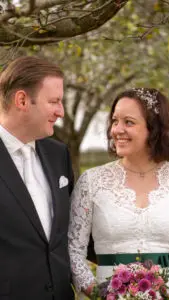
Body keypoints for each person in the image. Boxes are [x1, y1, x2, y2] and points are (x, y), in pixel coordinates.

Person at [68, 88, 169, 299]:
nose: (117, 130)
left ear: (155, 129)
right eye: (114, 121)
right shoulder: (92, 182)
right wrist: (100, 296)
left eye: (128, 122)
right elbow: (73, 252)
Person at [0, 56, 74, 300]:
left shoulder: (58, 154)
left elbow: (70, 231)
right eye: (54, 101)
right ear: (22, 100)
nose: (61, 112)